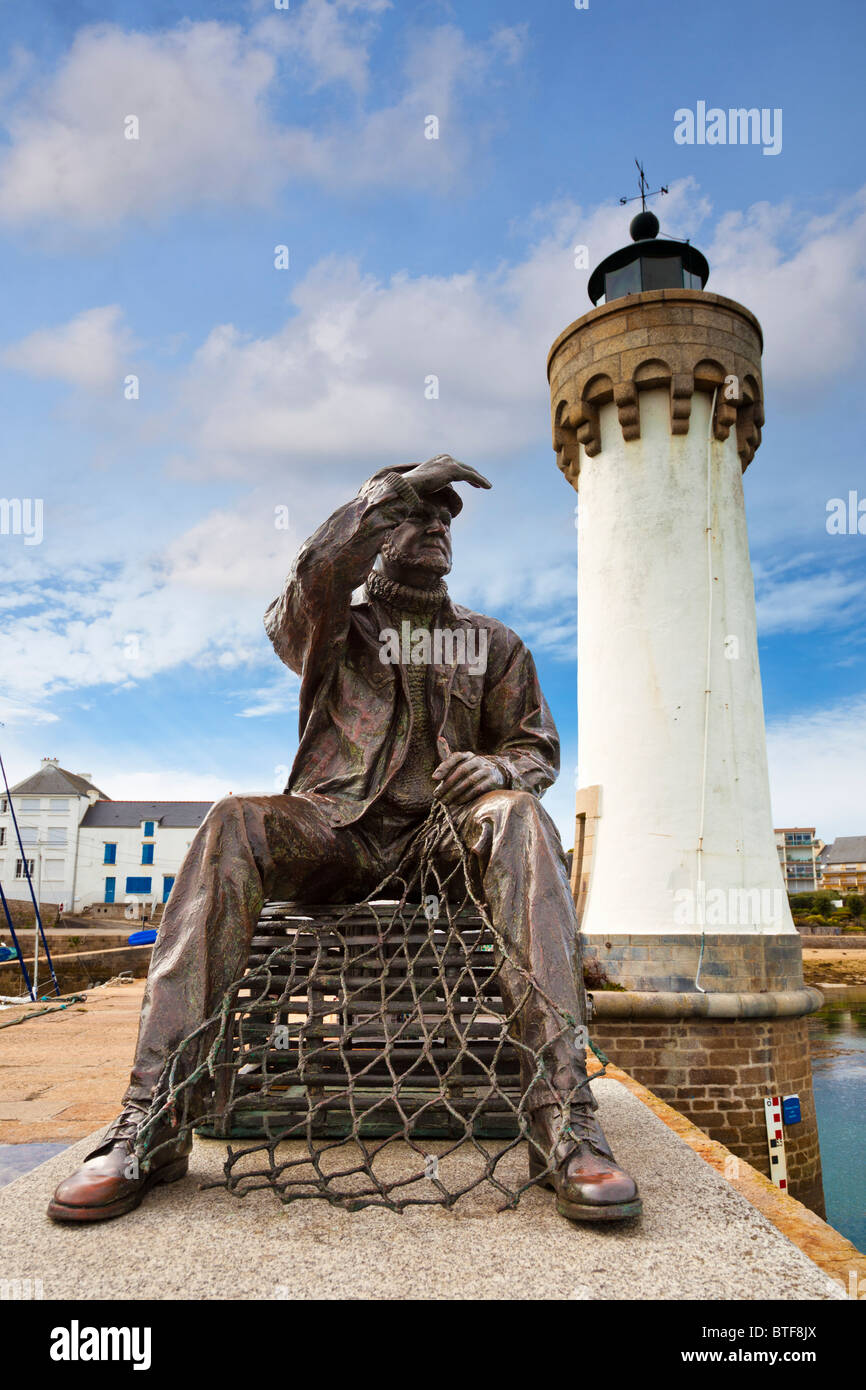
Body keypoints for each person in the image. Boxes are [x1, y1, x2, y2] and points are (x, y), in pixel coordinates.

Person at [48, 456, 640, 1224]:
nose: (433, 527)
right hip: (337, 834)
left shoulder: (494, 642)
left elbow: (537, 748)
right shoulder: (334, 621)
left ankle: (564, 1117)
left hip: (443, 848)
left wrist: (495, 767)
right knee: (232, 821)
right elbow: (317, 577)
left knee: (519, 816)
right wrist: (383, 495)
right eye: (415, 515)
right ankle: (155, 1116)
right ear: (380, 531)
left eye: (444, 518)